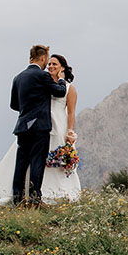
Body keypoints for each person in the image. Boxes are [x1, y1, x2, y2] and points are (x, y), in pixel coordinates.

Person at [0, 45, 67, 206]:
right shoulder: (42, 76)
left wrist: (27, 108)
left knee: (21, 164)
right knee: (37, 162)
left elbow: (14, 105)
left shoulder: (18, 78)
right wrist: (62, 79)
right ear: (43, 58)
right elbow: (59, 92)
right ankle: (35, 198)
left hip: (22, 126)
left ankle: (18, 198)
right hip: (40, 127)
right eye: (47, 59)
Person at [40, 53, 81, 201]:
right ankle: (43, 191)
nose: (50, 66)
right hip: (44, 123)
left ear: (62, 68)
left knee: (60, 158)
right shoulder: (45, 84)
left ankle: (62, 192)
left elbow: (71, 112)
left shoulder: (70, 88)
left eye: (54, 64)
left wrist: (70, 132)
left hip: (59, 125)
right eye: (49, 64)